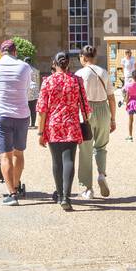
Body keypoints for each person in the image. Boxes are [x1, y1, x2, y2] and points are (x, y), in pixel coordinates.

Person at [37, 52, 91, 212]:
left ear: (54, 63)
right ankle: (66, 197)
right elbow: (85, 107)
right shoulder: (76, 80)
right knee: (69, 161)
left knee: (56, 162)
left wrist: (40, 132)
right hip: (71, 124)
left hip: (53, 125)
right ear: (68, 64)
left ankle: (60, 195)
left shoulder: (48, 81)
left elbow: (42, 109)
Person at [0, 39, 32, 206]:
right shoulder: (25, 67)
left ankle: (12, 194)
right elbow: (27, 90)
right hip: (22, 114)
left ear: (1, 52)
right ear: (15, 52)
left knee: (6, 155)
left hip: (1, 114)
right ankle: (16, 186)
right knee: (19, 153)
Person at [75, 44, 116, 199]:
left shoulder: (79, 74)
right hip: (103, 109)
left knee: (85, 149)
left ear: (83, 58)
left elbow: (76, 98)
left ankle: (87, 187)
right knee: (101, 146)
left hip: (86, 111)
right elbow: (111, 97)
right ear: (94, 57)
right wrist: (113, 118)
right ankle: (101, 174)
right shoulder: (103, 72)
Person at [27, 59, 41, 126]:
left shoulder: (24, 70)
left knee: (26, 109)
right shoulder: (36, 70)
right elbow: (38, 82)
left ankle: (27, 123)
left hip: (26, 91)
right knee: (33, 109)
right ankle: (33, 123)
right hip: (34, 91)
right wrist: (38, 91)